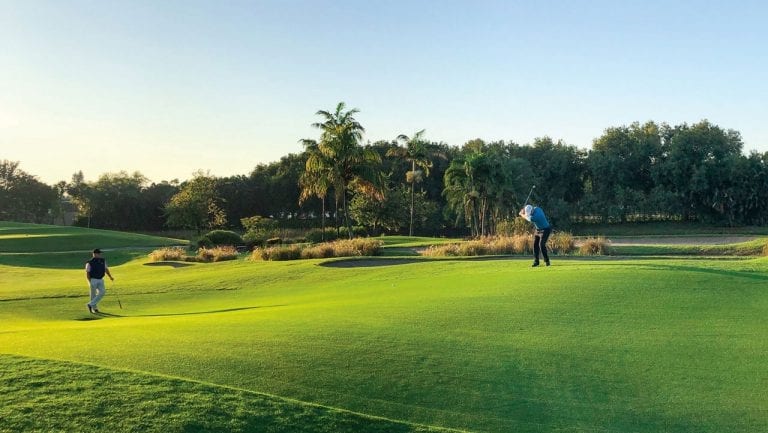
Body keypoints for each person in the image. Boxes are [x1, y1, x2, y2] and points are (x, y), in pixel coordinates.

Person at [86, 248, 114, 313]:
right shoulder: (89, 262)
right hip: (93, 279)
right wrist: (90, 281)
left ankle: (90, 304)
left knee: (102, 292)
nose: (100, 254)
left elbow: (106, 269)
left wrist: (110, 276)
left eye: (100, 253)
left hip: (100, 279)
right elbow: (87, 273)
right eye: (99, 253)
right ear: (94, 254)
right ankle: (95, 309)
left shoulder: (102, 260)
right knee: (93, 295)